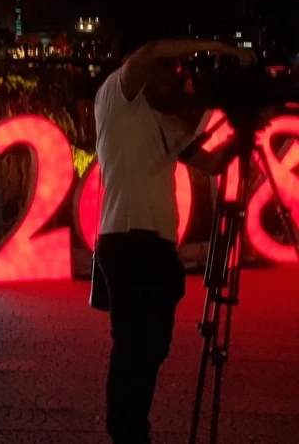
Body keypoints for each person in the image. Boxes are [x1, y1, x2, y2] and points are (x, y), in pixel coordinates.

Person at [93, 38, 252, 444]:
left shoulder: (164, 121)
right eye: (171, 71)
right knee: (131, 344)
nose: (177, 80)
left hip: (159, 250)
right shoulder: (118, 95)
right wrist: (223, 49)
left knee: (153, 348)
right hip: (126, 242)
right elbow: (148, 52)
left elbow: (211, 162)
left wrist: (245, 128)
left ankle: (135, 427)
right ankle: (125, 432)